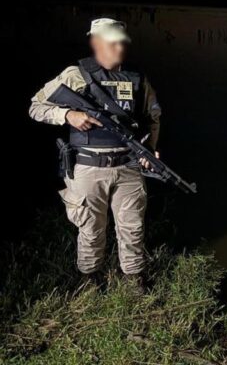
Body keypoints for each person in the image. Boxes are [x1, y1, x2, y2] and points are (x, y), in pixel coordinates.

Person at [29, 18, 161, 289]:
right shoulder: (75, 75)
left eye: (122, 41)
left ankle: (134, 279)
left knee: (133, 228)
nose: (119, 47)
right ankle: (90, 279)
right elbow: (35, 107)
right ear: (97, 43)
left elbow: (153, 117)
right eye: (112, 42)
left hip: (129, 166)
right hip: (88, 168)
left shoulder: (138, 78)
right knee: (90, 229)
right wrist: (68, 114)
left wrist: (149, 149)